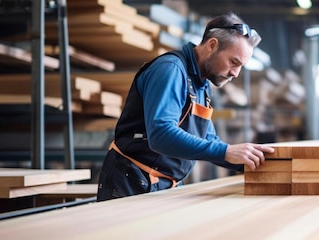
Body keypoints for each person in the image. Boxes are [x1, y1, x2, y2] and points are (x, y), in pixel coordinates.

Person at [97, 12, 274, 201]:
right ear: (212, 45)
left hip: (165, 185)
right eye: (233, 62)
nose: (236, 73)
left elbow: (207, 138)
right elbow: (160, 134)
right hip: (133, 183)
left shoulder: (202, 84)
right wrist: (226, 152)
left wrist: (245, 161)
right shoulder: (170, 70)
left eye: (241, 66)